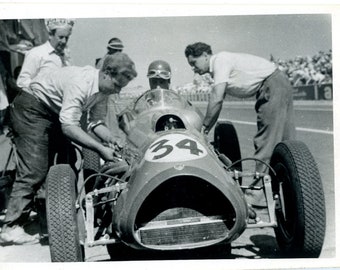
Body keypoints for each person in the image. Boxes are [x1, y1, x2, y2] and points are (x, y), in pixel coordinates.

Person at [0, 52, 137, 245]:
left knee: (67, 164)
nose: (117, 92)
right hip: (31, 108)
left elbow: (94, 122)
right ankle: (11, 226)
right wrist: (100, 149)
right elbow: (69, 126)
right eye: (116, 86)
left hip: (52, 113)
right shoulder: (80, 82)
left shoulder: (103, 91)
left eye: (121, 88)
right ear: (106, 73)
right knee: (35, 168)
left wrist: (112, 139)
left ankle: (52, 224)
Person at [184, 42, 296, 206]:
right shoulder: (222, 60)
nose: (193, 68)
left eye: (194, 63)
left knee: (267, 140)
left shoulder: (220, 60)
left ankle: (258, 193)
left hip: (272, 85)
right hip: (279, 82)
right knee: (285, 142)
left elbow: (217, 98)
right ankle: (287, 193)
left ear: (205, 55)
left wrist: (205, 126)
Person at [16, 18, 75, 92]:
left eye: (67, 38)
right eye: (61, 37)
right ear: (50, 35)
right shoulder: (36, 54)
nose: (64, 41)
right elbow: (22, 82)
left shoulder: (65, 56)